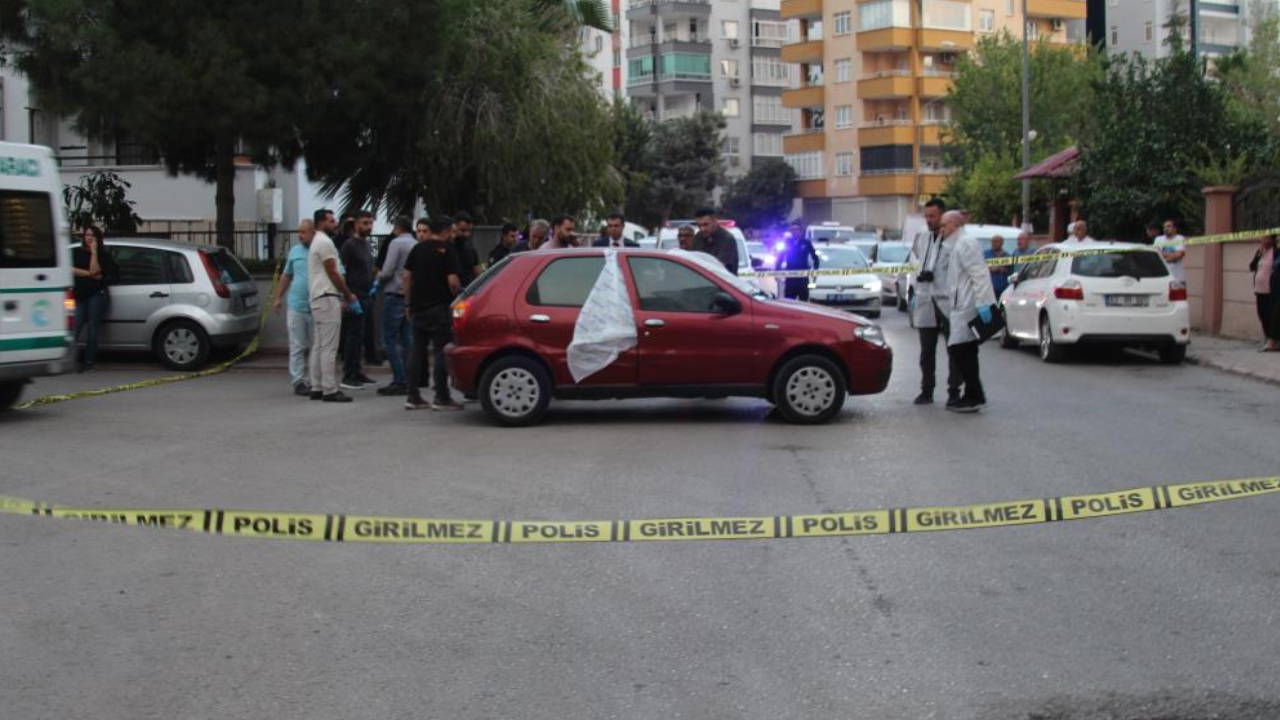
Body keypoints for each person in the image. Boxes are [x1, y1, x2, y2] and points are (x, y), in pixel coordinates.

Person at [939, 210, 997, 413]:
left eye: (944, 225)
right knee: (965, 350)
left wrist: (983, 302)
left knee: (961, 349)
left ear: (954, 224)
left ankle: (974, 395)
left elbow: (979, 273)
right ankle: (973, 394)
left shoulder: (966, 243)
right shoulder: (957, 244)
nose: (941, 230)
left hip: (967, 304)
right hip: (961, 304)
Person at [402, 217, 463, 411]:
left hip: (418, 308)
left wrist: (408, 303)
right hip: (440, 308)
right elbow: (453, 282)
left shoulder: (417, 249)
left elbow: (406, 277)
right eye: (452, 231)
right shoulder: (448, 250)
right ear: (445, 231)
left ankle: (412, 396)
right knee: (440, 352)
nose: (453, 235)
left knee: (416, 351)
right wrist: (457, 294)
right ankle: (441, 397)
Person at [909, 199, 960, 406]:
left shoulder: (954, 239)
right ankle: (926, 390)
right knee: (926, 351)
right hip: (925, 297)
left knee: (954, 349)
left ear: (943, 215)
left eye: (933, 216)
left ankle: (954, 391)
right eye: (927, 216)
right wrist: (919, 276)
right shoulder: (922, 235)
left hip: (947, 300)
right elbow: (915, 259)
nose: (929, 220)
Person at [307, 208, 359, 403]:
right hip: (327, 296)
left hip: (317, 297)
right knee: (329, 347)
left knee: (319, 345)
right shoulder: (325, 242)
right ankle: (329, 389)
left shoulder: (316, 241)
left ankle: (317, 386)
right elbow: (333, 272)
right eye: (331, 220)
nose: (335, 223)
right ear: (321, 222)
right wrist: (347, 294)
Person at [271, 219, 315, 396]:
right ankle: (298, 381)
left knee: (316, 346)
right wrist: (278, 297)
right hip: (296, 305)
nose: (300, 235)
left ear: (313, 232)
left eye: (304, 232)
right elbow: (286, 275)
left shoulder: (320, 249)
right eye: (299, 231)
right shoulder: (295, 251)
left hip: (316, 305)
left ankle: (314, 380)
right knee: (297, 345)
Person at [374, 216, 417, 395]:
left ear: (397, 228)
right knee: (407, 339)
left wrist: (378, 277)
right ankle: (410, 377)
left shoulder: (396, 243)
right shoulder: (415, 244)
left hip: (394, 293)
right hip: (409, 296)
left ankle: (399, 379)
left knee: (390, 339)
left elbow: (388, 270)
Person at [338, 210, 377, 390]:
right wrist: (345, 296)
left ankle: (357, 370)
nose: (368, 227)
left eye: (370, 223)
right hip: (354, 295)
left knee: (362, 335)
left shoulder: (366, 245)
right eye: (364, 223)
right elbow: (341, 271)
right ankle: (349, 374)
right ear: (356, 225)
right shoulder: (349, 245)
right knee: (353, 335)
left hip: (366, 294)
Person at [70, 225, 117, 372]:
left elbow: (95, 269)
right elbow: (71, 270)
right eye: (87, 235)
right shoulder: (77, 253)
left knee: (92, 328)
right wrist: (90, 274)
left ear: (98, 238)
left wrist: (94, 252)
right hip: (80, 294)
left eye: (92, 235)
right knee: (75, 327)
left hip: (97, 294)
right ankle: (70, 361)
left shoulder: (103, 256)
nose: (89, 238)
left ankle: (88, 363)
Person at [1248, 233, 1279, 351]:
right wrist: (1258, 255)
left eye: (1266, 238)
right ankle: (1268, 338)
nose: (1263, 240)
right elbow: (1251, 267)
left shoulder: (1276, 252)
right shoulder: (1260, 252)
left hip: (1271, 290)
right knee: (1261, 314)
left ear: (1272, 240)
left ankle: (1273, 341)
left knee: (1271, 315)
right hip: (1259, 290)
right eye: (1262, 238)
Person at [777, 222, 820, 301]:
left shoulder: (806, 243)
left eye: (796, 229)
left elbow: (815, 257)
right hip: (790, 279)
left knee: (803, 303)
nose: (794, 232)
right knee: (789, 302)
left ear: (800, 231)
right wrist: (777, 271)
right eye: (792, 230)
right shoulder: (787, 243)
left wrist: (815, 270)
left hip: (803, 279)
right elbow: (780, 258)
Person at [695, 208, 738, 275]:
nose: (702, 229)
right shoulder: (698, 237)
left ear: (714, 222)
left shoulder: (726, 239)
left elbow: (719, 268)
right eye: (699, 226)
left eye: (705, 224)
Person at [451, 211, 483, 286]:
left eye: (469, 231)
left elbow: (478, 273)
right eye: (463, 230)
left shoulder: (470, 248)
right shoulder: (446, 248)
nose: (467, 234)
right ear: (453, 227)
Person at [1156, 219, 1187, 283]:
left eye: (1169, 226)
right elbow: (1156, 255)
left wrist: (1163, 256)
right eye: (1164, 227)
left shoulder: (1180, 238)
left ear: (1175, 229)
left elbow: (1179, 255)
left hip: (1178, 277)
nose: (1166, 229)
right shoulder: (1158, 239)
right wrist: (1172, 254)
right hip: (1162, 278)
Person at [984, 234, 1010, 299]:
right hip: (989, 289)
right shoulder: (986, 254)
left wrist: (1003, 269)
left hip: (1004, 289)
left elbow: (1011, 270)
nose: (993, 244)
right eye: (992, 242)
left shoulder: (1007, 256)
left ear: (1002, 243)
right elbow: (980, 267)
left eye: (996, 241)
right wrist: (990, 269)